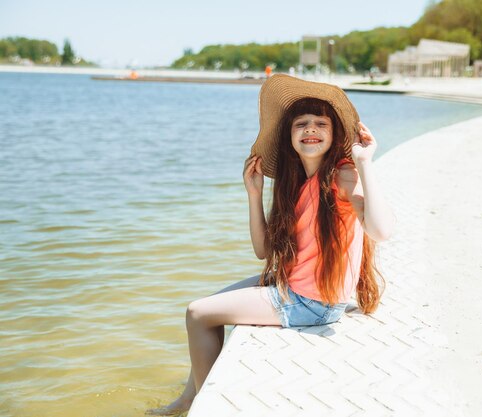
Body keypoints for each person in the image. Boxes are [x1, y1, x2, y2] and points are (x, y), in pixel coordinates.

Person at [147, 74, 394, 415]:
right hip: (291, 286)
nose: (311, 129)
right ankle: (192, 395)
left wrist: (366, 163)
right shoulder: (294, 185)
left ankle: (200, 405)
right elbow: (263, 251)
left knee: (198, 313)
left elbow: (380, 231)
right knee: (212, 304)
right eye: (301, 124)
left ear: (335, 133)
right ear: (290, 136)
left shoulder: (342, 176)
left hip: (313, 302)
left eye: (321, 123)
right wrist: (254, 194)